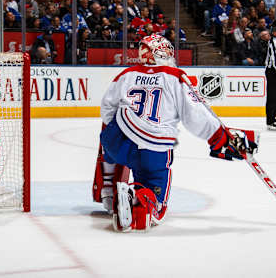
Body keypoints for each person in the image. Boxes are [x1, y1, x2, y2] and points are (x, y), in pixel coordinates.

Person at [94, 34, 257, 232]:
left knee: (110, 132)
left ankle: (109, 187)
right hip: (152, 147)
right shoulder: (175, 76)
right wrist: (219, 137)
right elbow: (195, 116)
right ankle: (138, 198)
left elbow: (106, 110)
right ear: (162, 52)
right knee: (155, 196)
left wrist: (121, 131)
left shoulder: (125, 74)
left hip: (117, 142)